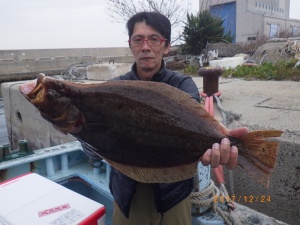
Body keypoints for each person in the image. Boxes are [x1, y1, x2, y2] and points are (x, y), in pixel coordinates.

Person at [104, 11, 249, 225]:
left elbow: (191, 122)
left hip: (173, 195)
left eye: (154, 39)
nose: (146, 47)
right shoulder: (113, 88)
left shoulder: (182, 84)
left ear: (166, 46)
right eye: (138, 39)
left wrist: (219, 138)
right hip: (128, 193)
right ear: (130, 45)